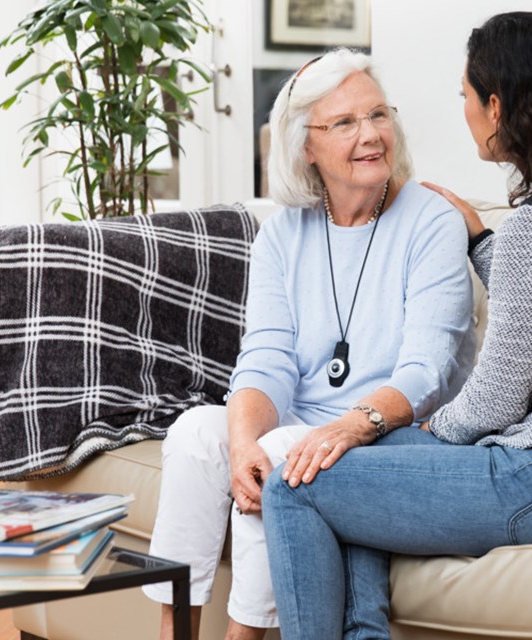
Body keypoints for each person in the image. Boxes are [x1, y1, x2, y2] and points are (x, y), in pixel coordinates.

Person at [262, 12, 532, 640]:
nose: (461, 110)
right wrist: (484, 243)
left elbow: (497, 398)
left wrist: (432, 423)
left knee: (296, 484)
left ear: (498, 105)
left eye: (464, 95)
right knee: (357, 453)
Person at [141, 48, 476, 640]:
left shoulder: (431, 220)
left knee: (282, 456)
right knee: (196, 433)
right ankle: (174, 632)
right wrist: (242, 440)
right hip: (301, 420)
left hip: (386, 430)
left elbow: (427, 372)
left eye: (378, 115)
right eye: (344, 122)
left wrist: (323, 433)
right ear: (304, 145)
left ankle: (243, 637)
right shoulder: (281, 233)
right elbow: (266, 357)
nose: (371, 134)